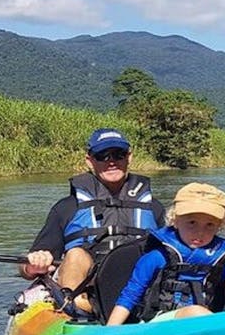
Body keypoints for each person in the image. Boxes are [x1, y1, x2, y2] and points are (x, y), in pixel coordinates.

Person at [22, 128, 165, 314]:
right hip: (85, 288)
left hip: (138, 284)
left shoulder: (154, 208)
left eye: (118, 154)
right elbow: (26, 269)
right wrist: (33, 265)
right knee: (75, 254)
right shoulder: (66, 208)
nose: (111, 161)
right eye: (102, 155)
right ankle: (78, 310)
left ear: (129, 157)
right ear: (90, 160)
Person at [106, 182, 225, 325]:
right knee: (197, 313)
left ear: (220, 226)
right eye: (192, 222)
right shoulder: (156, 257)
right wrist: (111, 331)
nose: (200, 232)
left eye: (209, 225)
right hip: (159, 322)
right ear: (175, 220)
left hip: (199, 321)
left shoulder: (212, 255)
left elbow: (224, 272)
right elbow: (130, 294)